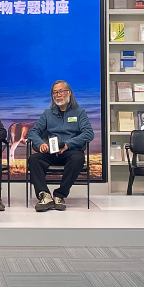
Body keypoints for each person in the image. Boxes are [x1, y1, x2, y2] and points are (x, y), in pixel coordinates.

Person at [28, 80, 94, 212]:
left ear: (69, 93)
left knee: (78, 159)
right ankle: (45, 196)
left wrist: (69, 144)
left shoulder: (79, 112)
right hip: (52, 152)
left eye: (61, 91)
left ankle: (60, 195)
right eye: (55, 93)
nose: (58, 95)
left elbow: (88, 134)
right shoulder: (47, 113)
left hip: (71, 151)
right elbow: (33, 132)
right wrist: (41, 144)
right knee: (34, 159)